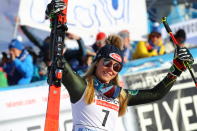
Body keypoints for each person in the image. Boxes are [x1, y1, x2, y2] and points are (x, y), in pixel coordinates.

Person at [46, 1, 194, 131]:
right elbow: (59, 61)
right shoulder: (82, 87)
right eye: (107, 63)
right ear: (97, 62)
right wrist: (56, 26)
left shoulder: (118, 95)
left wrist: (176, 69)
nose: (111, 69)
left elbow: (156, 93)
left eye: (116, 67)